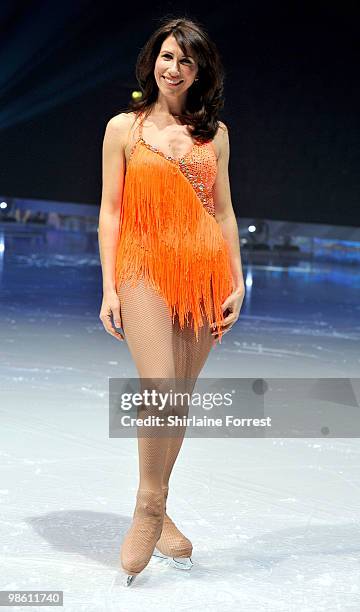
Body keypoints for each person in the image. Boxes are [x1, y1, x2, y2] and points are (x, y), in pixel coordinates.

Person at [98, 16, 245, 585]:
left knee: (178, 398)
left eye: (187, 60)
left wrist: (236, 280)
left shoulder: (216, 135)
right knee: (159, 386)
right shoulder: (123, 129)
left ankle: (160, 510)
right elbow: (110, 212)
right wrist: (109, 286)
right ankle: (148, 508)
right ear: (151, 62)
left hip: (203, 276)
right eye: (167, 56)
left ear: (200, 70)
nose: (174, 69)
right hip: (141, 268)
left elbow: (225, 212)